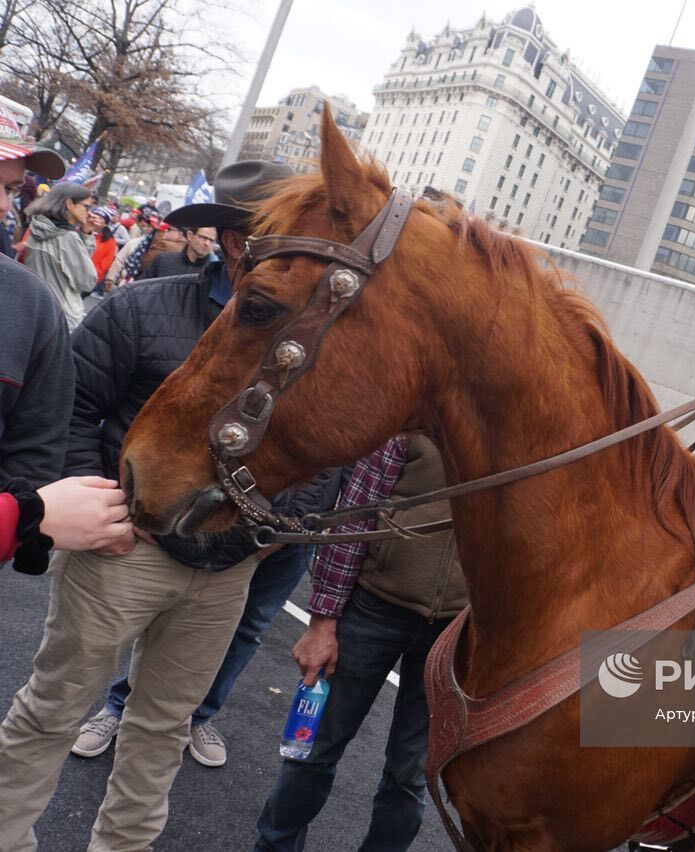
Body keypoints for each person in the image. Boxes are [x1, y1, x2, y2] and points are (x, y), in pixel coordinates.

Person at [0, 160, 334, 852]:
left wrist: (274, 528)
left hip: (224, 571)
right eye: (268, 233)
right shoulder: (141, 308)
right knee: (53, 709)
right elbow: (69, 411)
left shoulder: (313, 343)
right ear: (236, 239)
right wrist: (102, 513)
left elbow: (328, 446)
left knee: (163, 730)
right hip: (125, 552)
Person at [255, 434, 466, 851]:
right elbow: (353, 520)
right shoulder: (412, 426)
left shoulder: (519, 434)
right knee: (313, 749)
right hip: (373, 610)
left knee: (409, 777)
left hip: (453, 634)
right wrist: (322, 621)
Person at [0, 119, 130, 567]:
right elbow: (87, 279)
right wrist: (22, 518)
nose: (3, 205)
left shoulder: (25, 293)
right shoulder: (70, 244)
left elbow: (33, 446)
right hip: (67, 319)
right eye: (86, 204)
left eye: (10, 190)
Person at [21, 181, 97, 329]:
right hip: (62, 316)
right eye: (86, 207)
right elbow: (87, 281)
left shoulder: (38, 226)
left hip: (34, 307)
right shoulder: (67, 237)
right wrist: (86, 237)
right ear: (69, 204)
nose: (89, 212)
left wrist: (86, 234)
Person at [138, 225, 215, 279]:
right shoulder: (163, 260)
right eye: (203, 238)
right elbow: (141, 290)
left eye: (211, 241)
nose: (207, 244)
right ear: (190, 236)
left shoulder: (213, 273)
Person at [86, 206, 117, 285]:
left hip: (89, 278)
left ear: (105, 224)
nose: (96, 219)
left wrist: (92, 277)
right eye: (95, 216)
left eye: (100, 218)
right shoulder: (81, 231)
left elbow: (104, 265)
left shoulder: (109, 241)